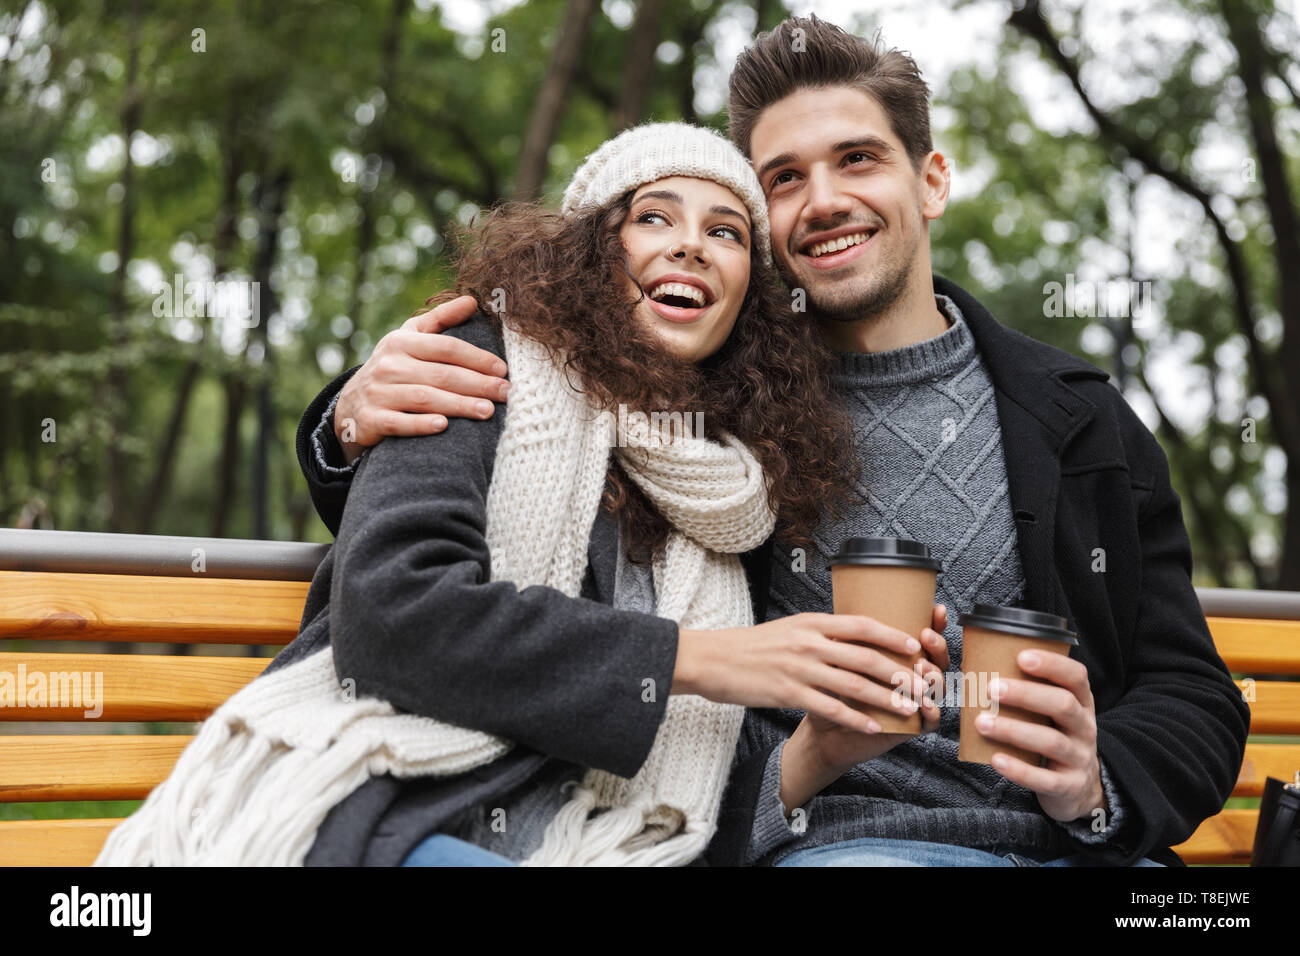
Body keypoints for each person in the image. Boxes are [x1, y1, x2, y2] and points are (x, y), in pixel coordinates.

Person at [299, 16, 1250, 868]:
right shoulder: (719, 413)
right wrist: (343, 424)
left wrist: (1095, 786)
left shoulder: (1075, 416)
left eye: (859, 160)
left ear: (932, 179)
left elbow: (1188, 689)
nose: (824, 199)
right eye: (784, 179)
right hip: (855, 851)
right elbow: (499, 492)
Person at [94, 120, 947, 867]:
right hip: (377, 813)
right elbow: (397, 615)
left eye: (726, 233)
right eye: (653, 216)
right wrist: (707, 661)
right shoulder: (478, 364)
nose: (691, 244)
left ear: (747, 303)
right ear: (588, 253)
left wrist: (823, 749)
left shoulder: (736, 499)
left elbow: (690, 831)